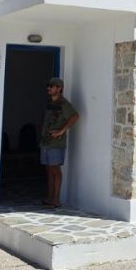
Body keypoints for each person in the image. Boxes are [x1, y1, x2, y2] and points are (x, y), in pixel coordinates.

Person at [40, 77, 79, 208]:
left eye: (52, 86)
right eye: (48, 86)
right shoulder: (49, 103)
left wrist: (61, 131)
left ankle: (56, 199)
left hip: (56, 143)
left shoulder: (64, 104)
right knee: (49, 169)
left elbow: (75, 116)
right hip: (46, 142)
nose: (49, 88)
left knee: (56, 169)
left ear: (59, 88)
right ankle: (50, 197)